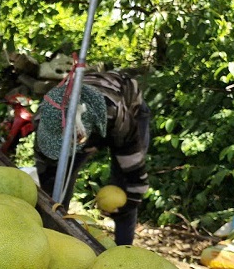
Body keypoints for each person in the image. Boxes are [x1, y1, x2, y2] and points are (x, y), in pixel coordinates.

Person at [34, 69, 151, 246]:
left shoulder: (113, 112)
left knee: (124, 187)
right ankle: (56, 239)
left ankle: (124, 252)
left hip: (126, 106)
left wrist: (132, 197)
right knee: (59, 181)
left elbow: (133, 162)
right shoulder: (44, 122)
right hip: (83, 120)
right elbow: (46, 171)